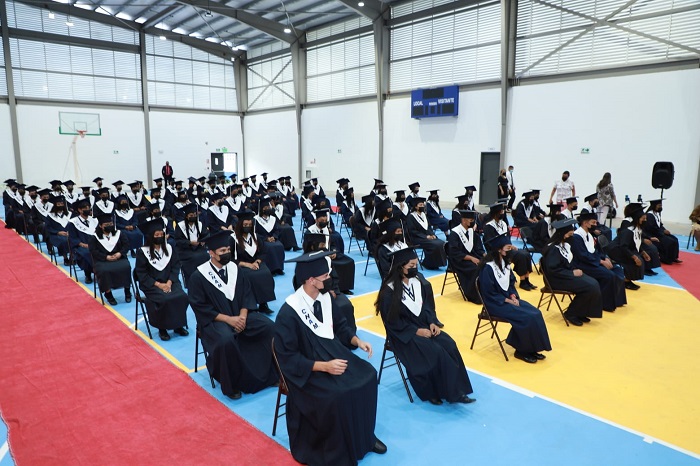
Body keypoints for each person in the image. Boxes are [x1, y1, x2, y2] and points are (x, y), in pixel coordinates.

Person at [273, 251, 386, 465]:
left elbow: (341, 327)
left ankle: (364, 437)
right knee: (338, 394)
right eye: (325, 276)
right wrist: (324, 367)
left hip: (333, 355)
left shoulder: (326, 299)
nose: (330, 279)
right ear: (311, 280)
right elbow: (288, 358)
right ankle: (338, 449)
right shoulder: (289, 313)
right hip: (308, 370)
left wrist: (357, 340)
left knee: (369, 376)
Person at [376, 247, 475, 405]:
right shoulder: (389, 291)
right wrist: (416, 331)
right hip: (403, 334)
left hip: (424, 326)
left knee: (449, 345)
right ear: (400, 267)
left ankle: (457, 390)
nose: (415, 268)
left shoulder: (418, 282)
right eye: (411, 266)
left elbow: (427, 307)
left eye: (416, 264)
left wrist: (432, 322)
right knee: (434, 352)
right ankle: (431, 391)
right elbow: (392, 322)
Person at [187, 230, 278, 399]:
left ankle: (269, 375)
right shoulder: (198, 277)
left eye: (228, 250)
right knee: (226, 340)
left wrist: (242, 316)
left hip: (241, 315)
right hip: (216, 320)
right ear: (211, 253)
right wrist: (229, 320)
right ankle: (232, 385)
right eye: (222, 251)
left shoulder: (235, 269)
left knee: (268, 327)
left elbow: (247, 295)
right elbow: (201, 308)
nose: (227, 253)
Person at [478, 233, 552, 363]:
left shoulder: (505, 264)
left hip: (508, 300)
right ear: (499, 249)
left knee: (535, 313)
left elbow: (511, 284)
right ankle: (521, 351)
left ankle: (532, 348)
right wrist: (507, 300)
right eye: (508, 248)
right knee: (526, 317)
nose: (511, 250)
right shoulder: (488, 268)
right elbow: (488, 293)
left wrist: (513, 295)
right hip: (495, 304)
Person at [298, 233, 358, 348]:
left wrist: (333, 290)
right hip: (314, 296)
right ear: (313, 246)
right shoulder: (304, 262)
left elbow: (334, 278)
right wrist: (324, 293)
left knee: (346, 305)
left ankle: (348, 339)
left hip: (330, 291)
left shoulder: (325, 259)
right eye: (321, 245)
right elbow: (303, 285)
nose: (324, 248)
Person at [135, 218, 189, 341]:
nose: (160, 237)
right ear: (151, 236)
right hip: (152, 285)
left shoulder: (169, 248)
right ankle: (162, 328)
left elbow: (176, 266)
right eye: (157, 235)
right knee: (165, 299)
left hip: (170, 281)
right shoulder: (143, 252)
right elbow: (142, 274)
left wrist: (169, 282)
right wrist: (159, 285)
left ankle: (178, 325)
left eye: (161, 234)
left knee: (182, 296)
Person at [541, 218, 603, 326]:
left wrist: (574, 269)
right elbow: (553, 270)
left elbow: (567, 263)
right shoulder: (553, 249)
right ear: (563, 234)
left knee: (594, 283)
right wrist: (572, 273)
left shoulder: (564, 244)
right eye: (570, 235)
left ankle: (581, 312)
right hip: (555, 280)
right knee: (589, 287)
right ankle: (571, 313)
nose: (572, 237)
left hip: (565, 275)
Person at [570, 212, 627, 312]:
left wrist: (605, 258)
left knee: (618, 270)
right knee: (608, 275)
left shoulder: (590, 235)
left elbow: (597, 250)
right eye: (593, 222)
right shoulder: (577, 237)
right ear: (585, 223)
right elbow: (583, 255)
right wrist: (600, 261)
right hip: (583, 264)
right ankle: (604, 303)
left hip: (593, 261)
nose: (596, 225)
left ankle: (617, 300)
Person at [482, 202, 537, 291]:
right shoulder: (489, 226)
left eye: (503, 211)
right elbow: (491, 243)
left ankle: (527, 279)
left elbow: (507, 238)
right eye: (501, 212)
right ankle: (522, 281)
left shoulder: (503, 224)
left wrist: (510, 245)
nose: (503, 213)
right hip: (497, 252)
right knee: (521, 256)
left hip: (507, 249)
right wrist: (504, 248)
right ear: (495, 213)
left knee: (526, 254)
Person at [231, 211, 276, 314]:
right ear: (240, 225)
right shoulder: (233, 239)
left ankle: (263, 303)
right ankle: (250, 306)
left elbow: (263, 252)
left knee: (265, 273)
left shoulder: (255, 237)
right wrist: (247, 264)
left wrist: (257, 262)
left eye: (250, 225)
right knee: (250, 276)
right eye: (245, 225)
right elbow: (231, 258)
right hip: (241, 265)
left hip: (255, 263)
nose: (248, 227)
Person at [88, 214, 133, 306]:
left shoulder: (119, 234)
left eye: (110, 224)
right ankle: (108, 294)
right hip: (103, 260)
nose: (109, 226)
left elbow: (126, 245)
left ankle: (127, 291)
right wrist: (106, 257)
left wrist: (120, 253)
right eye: (106, 224)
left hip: (119, 257)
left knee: (126, 267)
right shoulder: (94, 237)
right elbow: (93, 251)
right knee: (103, 271)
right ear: (100, 226)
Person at [307, 208, 354, 294]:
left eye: (325, 221)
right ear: (316, 220)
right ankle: (335, 289)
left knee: (349, 261)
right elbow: (307, 249)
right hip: (317, 256)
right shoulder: (310, 231)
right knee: (331, 265)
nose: (324, 222)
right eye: (322, 221)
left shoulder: (326, 230)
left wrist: (334, 251)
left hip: (329, 253)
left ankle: (345, 287)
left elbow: (331, 243)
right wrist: (323, 254)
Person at [607, 204, 648, 290]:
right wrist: (634, 257)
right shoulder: (628, 231)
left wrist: (643, 252)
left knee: (639, 257)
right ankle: (626, 281)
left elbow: (635, 243)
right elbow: (623, 246)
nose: (645, 220)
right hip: (616, 250)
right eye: (643, 219)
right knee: (633, 260)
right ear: (637, 219)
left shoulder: (637, 229)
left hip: (624, 248)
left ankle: (629, 279)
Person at [447, 210, 485, 304]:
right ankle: (474, 295)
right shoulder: (455, 233)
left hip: (473, 257)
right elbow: (454, 252)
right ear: (464, 220)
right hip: (459, 261)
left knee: (487, 264)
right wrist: (471, 258)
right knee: (476, 268)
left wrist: (485, 255)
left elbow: (478, 248)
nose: (473, 222)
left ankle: (486, 292)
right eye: (471, 220)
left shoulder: (472, 232)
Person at [405, 197, 447, 270]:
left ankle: (436, 264)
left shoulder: (424, 215)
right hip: (416, 238)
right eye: (420, 205)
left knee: (441, 243)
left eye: (423, 205)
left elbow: (429, 227)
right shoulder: (411, 217)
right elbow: (412, 231)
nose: (423, 206)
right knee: (435, 245)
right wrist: (425, 237)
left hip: (427, 237)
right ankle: (428, 264)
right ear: (416, 207)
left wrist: (432, 234)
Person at [174, 203, 210, 284]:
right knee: (194, 258)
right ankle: (192, 281)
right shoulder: (180, 226)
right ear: (186, 216)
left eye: (194, 214)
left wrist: (203, 241)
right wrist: (189, 243)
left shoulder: (199, 224)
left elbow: (206, 235)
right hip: (185, 250)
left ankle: (205, 279)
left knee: (206, 256)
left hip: (198, 248)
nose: (193, 216)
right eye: (191, 215)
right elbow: (178, 241)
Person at [68, 199, 98, 284]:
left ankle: (99, 271)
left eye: (88, 207)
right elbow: (72, 237)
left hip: (95, 244)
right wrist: (83, 244)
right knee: (86, 253)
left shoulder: (94, 220)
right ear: (79, 210)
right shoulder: (73, 222)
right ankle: (88, 274)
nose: (88, 209)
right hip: (80, 246)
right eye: (85, 208)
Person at [644, 199, 681, 265]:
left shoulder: (657, 214)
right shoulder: (649, 215)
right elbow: (651, 228)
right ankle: (666, 259)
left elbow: (660, 225)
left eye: (661, 205)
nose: (660, 207)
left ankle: (674, 257)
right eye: (659, 205)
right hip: (653, 234)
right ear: (654, 206)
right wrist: (662, 231)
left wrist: (665, 230)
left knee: (675, 239)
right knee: (669, 242)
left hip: (659, 232)